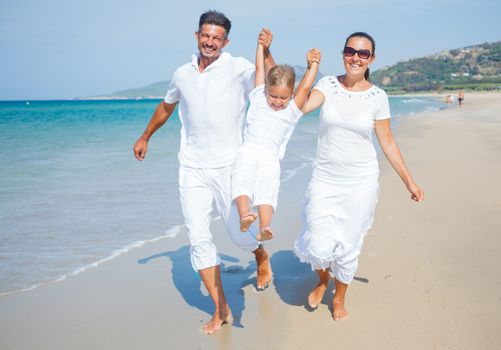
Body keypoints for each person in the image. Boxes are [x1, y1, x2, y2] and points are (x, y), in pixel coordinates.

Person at [133, 11, 275, 335]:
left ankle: (259, 253)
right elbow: (167, 106)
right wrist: (145, 136)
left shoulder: (237, 67)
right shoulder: (181, 74)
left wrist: (266, 50)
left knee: (239, 235)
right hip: (192, 168)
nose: (210, 42)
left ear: (226, 41)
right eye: (205, 36)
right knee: (198, 239)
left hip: (230, 166)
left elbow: (270, 80)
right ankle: (220, 308)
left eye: (217, 38)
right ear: (197, 36)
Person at [293, 32, 424, 321]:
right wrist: (311, 69)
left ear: (371, 59)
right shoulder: (327, 85)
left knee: (349, 246)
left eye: (363, 53)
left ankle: (339, 297)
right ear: (343, 54)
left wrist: (409, 181)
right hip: (325, 179)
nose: (355, 57)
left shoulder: (378, 97)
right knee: (318, 244)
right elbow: (299, 107)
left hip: (361, 182)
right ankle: (322, 279)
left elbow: (387, 142)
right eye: (350, 51)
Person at [232, 29, 321, 242]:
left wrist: (313, 64)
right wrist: (261, 45)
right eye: (273, 95)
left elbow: (306, 86)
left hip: (271, 157)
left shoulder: (292, 111)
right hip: (249, 150)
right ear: (266, 90)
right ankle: (244, 216)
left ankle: (264, 227)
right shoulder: (259, 97)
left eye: (283, 97)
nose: (277, 101)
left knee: (268, 190)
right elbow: (260, 67)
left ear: (291, 95)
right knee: (241, 180)